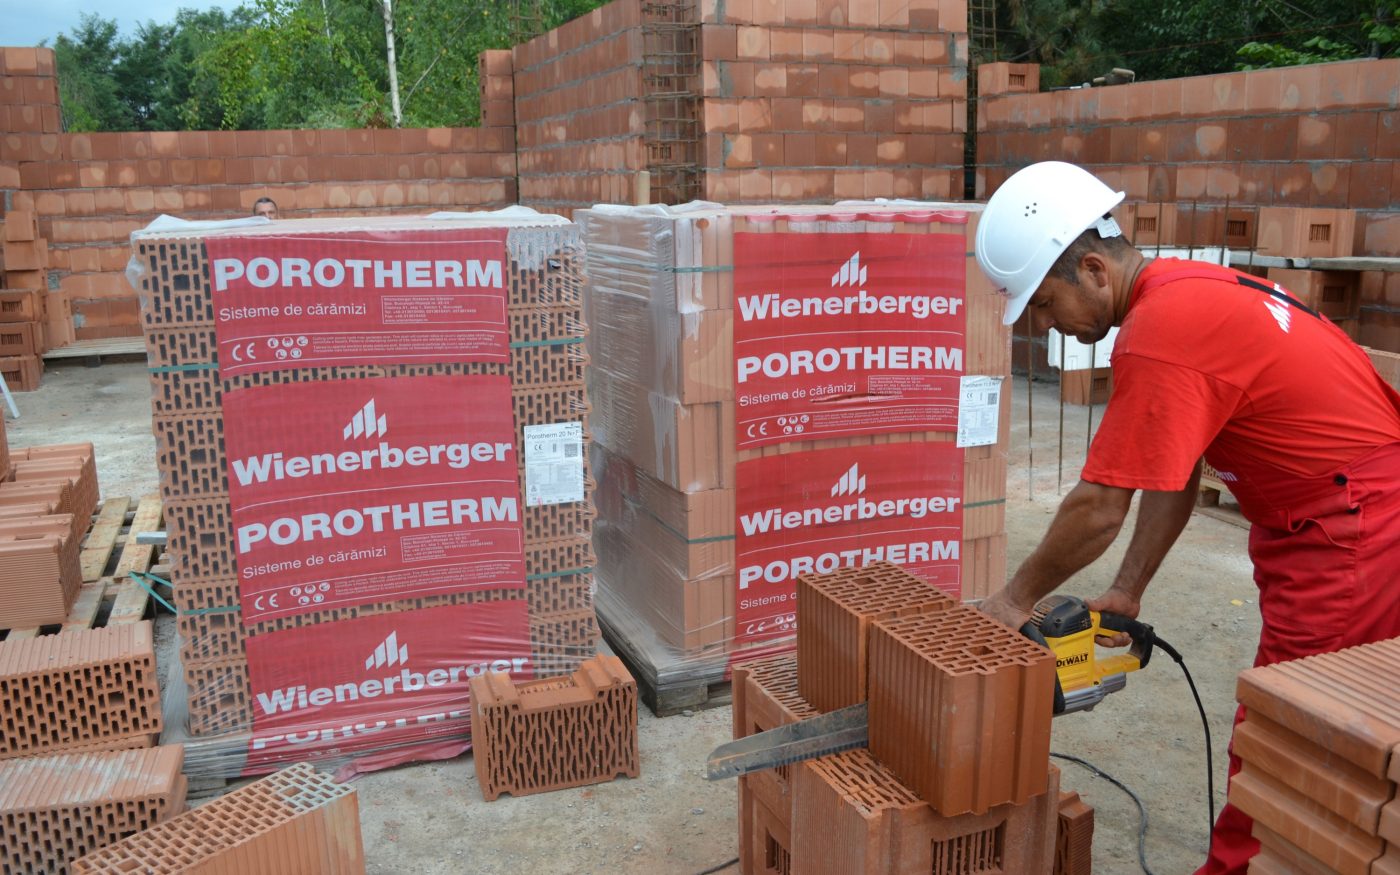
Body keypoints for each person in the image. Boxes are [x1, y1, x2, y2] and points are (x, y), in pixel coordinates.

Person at [972, 161, 1400, 874]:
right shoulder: (1192, 293)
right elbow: (1175, 463)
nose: (1048, 324)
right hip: (1338, 513)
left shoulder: (1162, 328)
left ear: (1092, 268)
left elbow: (1101, 505)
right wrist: (1130, 587)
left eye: (1045, 304)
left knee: (1292, 736)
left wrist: (1011, 600)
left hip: (1352, 527)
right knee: (1320, 732)